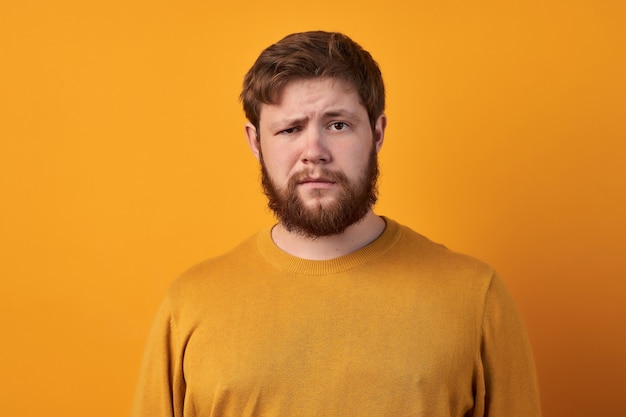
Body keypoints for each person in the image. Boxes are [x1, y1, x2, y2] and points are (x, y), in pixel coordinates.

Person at [132, 31, 541, 416]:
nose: (314, 151)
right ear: (256, 142)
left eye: (337, 125)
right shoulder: (189, 305)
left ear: (377, 133)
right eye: (290, 129)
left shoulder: (475, 296)